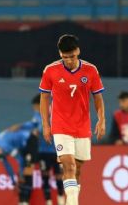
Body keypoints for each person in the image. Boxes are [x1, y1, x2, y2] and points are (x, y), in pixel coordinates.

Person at [39, 34, 105, 205]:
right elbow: (44, 98)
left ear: (78, 51)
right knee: (68, 165)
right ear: (60, 54)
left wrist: (101, 119)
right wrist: (46, 124)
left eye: (72, 56)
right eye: (65, 57)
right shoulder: (50, 70)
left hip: (82, 126)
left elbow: (97, 97)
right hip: (60, 126)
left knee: (77, 169)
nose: (69, 61)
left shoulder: (91, 70)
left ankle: (71, 201)